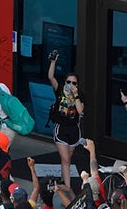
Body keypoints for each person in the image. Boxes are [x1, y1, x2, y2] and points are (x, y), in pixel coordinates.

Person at [47, 50, 84, 188]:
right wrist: (53, 62)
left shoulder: (80, 95)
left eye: (74, 83)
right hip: (61, 128)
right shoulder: (60, 89)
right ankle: (68, 188)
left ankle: (63, 181)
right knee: (66, 159)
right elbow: (51, 77)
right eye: (68, 82)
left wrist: (76, 96)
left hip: (74, 129)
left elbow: (80, 110)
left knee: (67, 159)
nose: (71, 85)